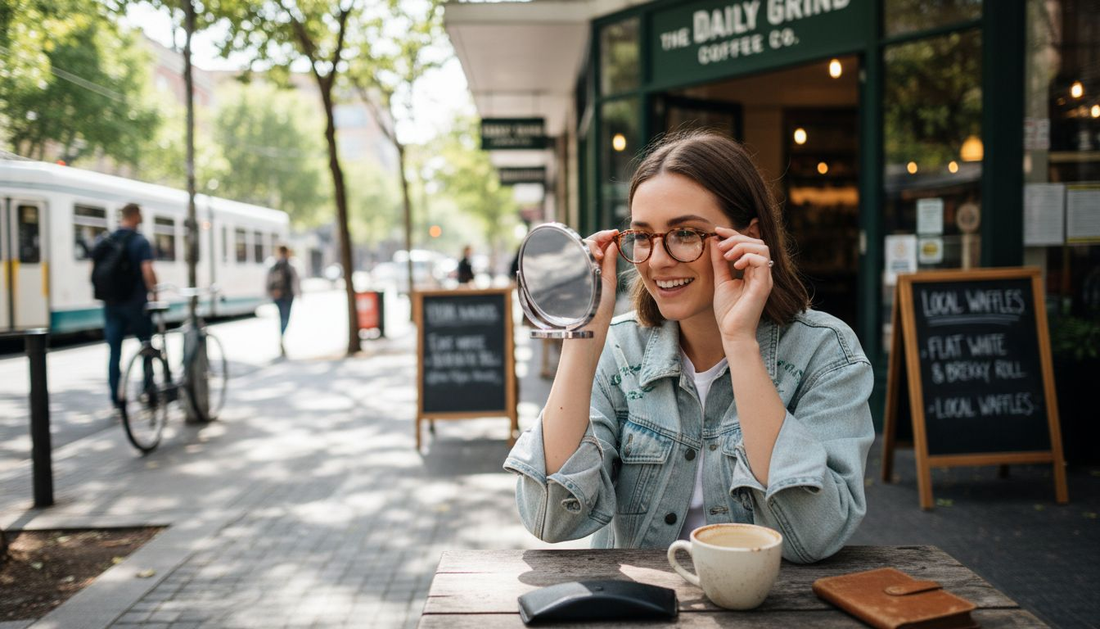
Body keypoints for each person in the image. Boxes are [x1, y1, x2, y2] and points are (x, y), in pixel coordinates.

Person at [504, 131, 874, 564]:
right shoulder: (621, 350)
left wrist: (739, 341)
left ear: (748, 237)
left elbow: (814, 536)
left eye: (684, 233)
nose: (658, 259)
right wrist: (583, 334)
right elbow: (549, 518)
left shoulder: (825, 352)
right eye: (643, 236)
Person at [92, 203, 157, 409]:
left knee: (114, 352)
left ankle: (116, 399)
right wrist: (154, 291)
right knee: (146, 346)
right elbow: (147, 270)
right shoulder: (140, 241)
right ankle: (149, 391)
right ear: (136, 215)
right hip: (136, 303)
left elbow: (92, 272)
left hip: (111, 304)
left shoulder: (104, 240)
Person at [266, 245, 301, 356]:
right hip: (284, 296)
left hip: (282, 296)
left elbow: (268, 281)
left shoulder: (279, 265)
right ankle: (282, 337)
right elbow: (295, 281)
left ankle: (281, 337)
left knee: (283, 317)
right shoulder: (284, 265)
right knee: (285, 318)